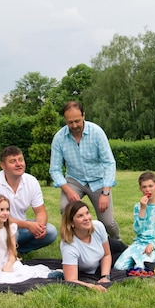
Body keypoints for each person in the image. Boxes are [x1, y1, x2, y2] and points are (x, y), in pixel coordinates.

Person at [49, 101, 121, 240]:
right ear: (65, 120)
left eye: (77, 121)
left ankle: (117, 241)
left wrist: (105, 192)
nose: (74, 125)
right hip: (74, 180)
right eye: (70, 122)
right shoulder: (59, 138)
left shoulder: (97, 132)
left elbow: (109, 163)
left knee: (107, 222)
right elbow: (55, 169)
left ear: (84, 116)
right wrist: (68, 191)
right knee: (66, 209)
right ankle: (75, 242)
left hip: (98, 181)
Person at [0, 146, 57, 256]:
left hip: (21, 228)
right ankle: (8, 252)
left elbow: (40, 211)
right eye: (13, 161)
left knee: (51, 231)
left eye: (20, 160)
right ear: (3, 166)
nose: (19, 164)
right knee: (9, 233)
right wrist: (28, 225)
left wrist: (39, 227)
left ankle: (18, 251)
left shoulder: (31, 181)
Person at [0, 194, 56, 284]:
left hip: (7, 260)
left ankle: (48, 275)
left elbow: (12, 253)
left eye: (7, 209)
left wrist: (9, 264)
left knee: (21, 269)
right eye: (1, 210)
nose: (5, 213)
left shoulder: (10, 228)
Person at [113, 171, 155, 272]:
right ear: (140, 189)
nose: (148, 189)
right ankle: (141, 260)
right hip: (139, 243)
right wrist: (143, 209)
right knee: (119, 267)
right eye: (144, 187)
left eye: (150, 186)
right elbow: (138, 230)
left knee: (141, 267)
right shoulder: (138, 207)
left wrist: (153, 244)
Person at [59, 201, 116, 292]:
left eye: (87, 213)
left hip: (111, 247)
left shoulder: (98, 226)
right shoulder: (69, 246)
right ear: (71, 222)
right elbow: (71, 280)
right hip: (94, 264)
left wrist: (105, 276)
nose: (86, 218)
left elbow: (106, 254)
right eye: (80, 216)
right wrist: (92, 286)